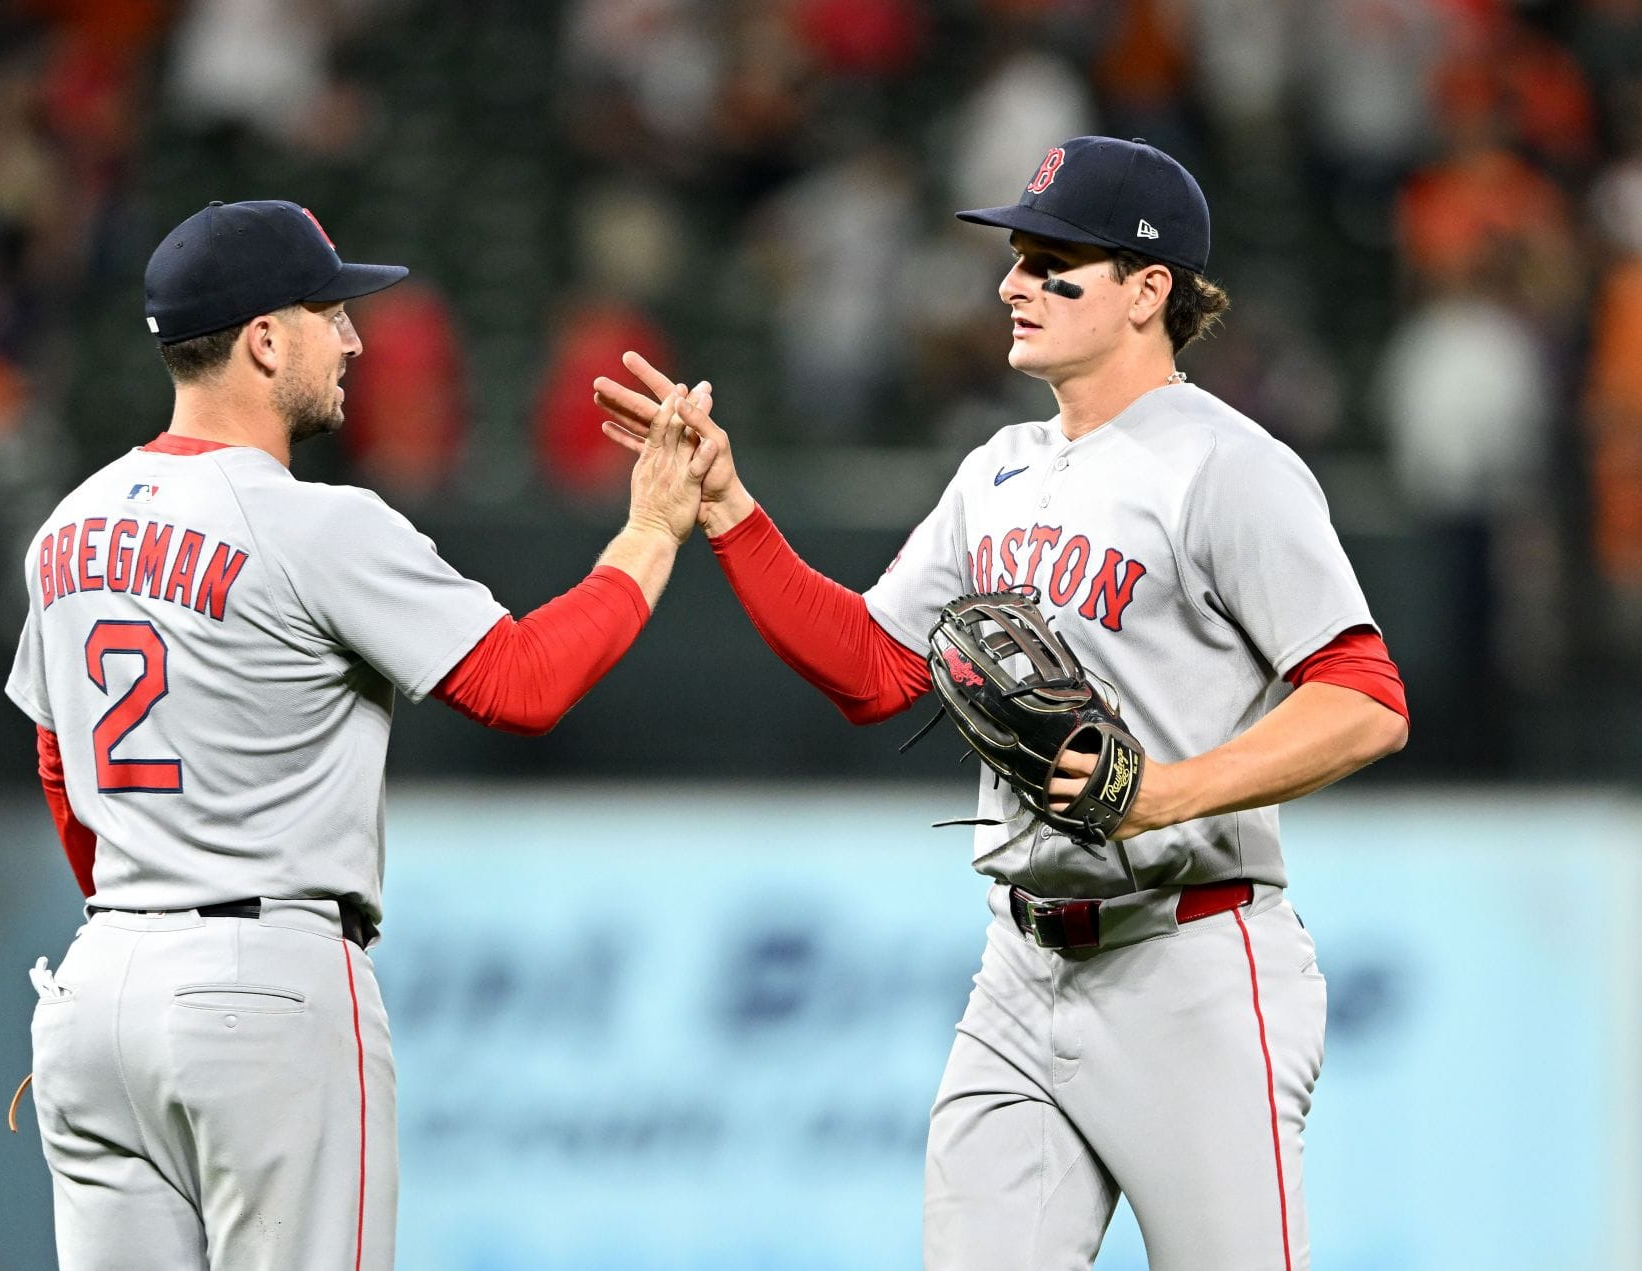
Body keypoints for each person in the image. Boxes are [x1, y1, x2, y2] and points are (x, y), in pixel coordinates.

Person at [595, 137, 1409, 1270]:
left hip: (1192, 962)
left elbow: (1367, 698)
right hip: (1021, 970)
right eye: (1018, 259)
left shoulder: (1228, 466)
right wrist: (731, 509)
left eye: (1051, 265)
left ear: (1148, 289)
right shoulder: (999, 467)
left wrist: (1164, 791)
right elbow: (874, 670)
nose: (1012, 286)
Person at [4, 198, 710, 1271]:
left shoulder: (67, 526)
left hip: (95, 993)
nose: (354, 340)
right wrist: (652, 528)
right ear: (264, 339)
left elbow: (61, 767)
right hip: (260, 986)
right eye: (329, 313)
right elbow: (523, 682)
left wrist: (139, 921)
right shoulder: (312, 523)